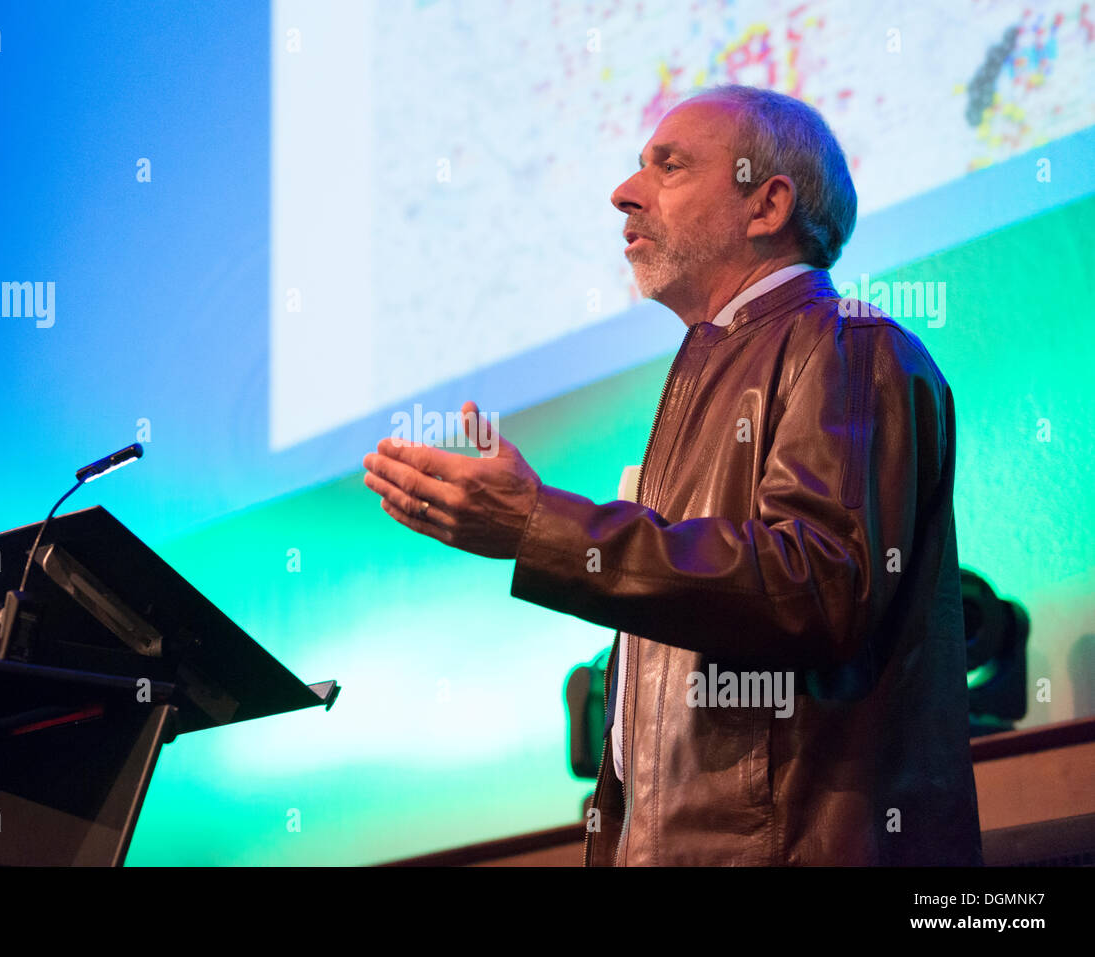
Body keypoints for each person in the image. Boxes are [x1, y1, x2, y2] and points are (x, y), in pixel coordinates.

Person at [361, 84, 983, 865]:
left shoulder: (848, 345)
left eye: (669, 166)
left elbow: (816, 589)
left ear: (767, 205)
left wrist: (537, 527)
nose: (623, 192)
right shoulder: (707, 370)